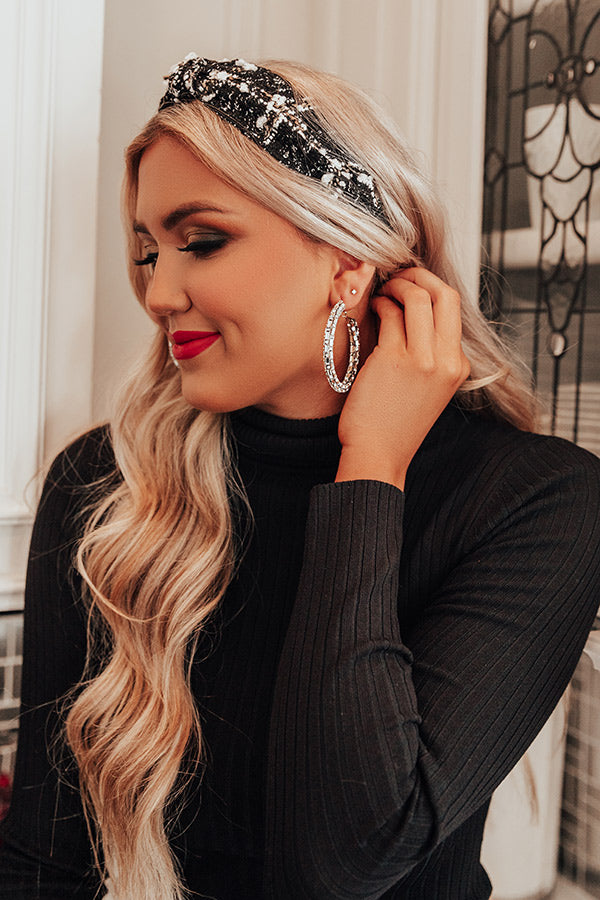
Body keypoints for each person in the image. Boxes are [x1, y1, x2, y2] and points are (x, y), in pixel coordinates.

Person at [1, 55, 599, 900]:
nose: (158, 292)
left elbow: (350, 858)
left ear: (347, 258)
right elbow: (44, 857)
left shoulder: (537, 501)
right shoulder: (104, 483)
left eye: (201, 242)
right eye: (148, 250)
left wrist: (371, 469)